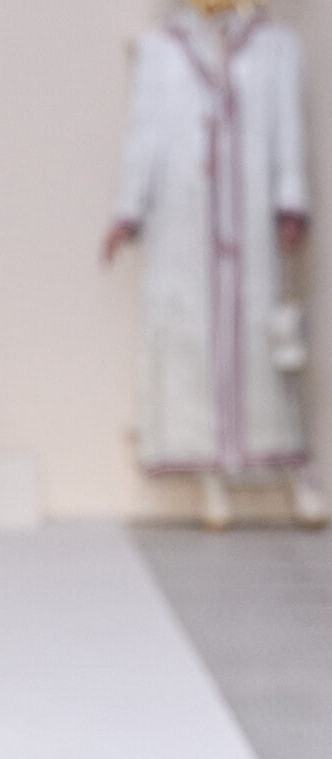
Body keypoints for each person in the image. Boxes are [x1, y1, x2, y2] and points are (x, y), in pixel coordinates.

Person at [104, 0, 327, 528]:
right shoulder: (163, 48)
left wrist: (290, 198)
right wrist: (128, 208)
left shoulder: (274, 46)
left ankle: (288, 468)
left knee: (265, 345)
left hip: (250, 225)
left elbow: (289, 129)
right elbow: (145, 134)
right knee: (189, 340)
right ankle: (209, 475)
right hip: (184, 224)